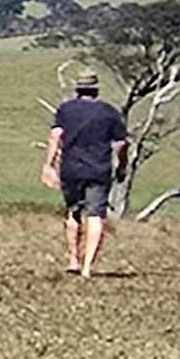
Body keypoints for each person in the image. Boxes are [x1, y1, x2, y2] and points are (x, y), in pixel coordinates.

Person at [45, 70, 126, 279]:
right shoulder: (108, 112)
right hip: (99, 169)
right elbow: (122, 142)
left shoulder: (66, 110)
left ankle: (73, 259)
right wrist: (122, 165)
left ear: (77, 89)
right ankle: (88, 267)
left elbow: (56, 135)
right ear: (96, 90)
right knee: (96, 215)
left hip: (71, 168)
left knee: (73, 212)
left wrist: (49, 165)